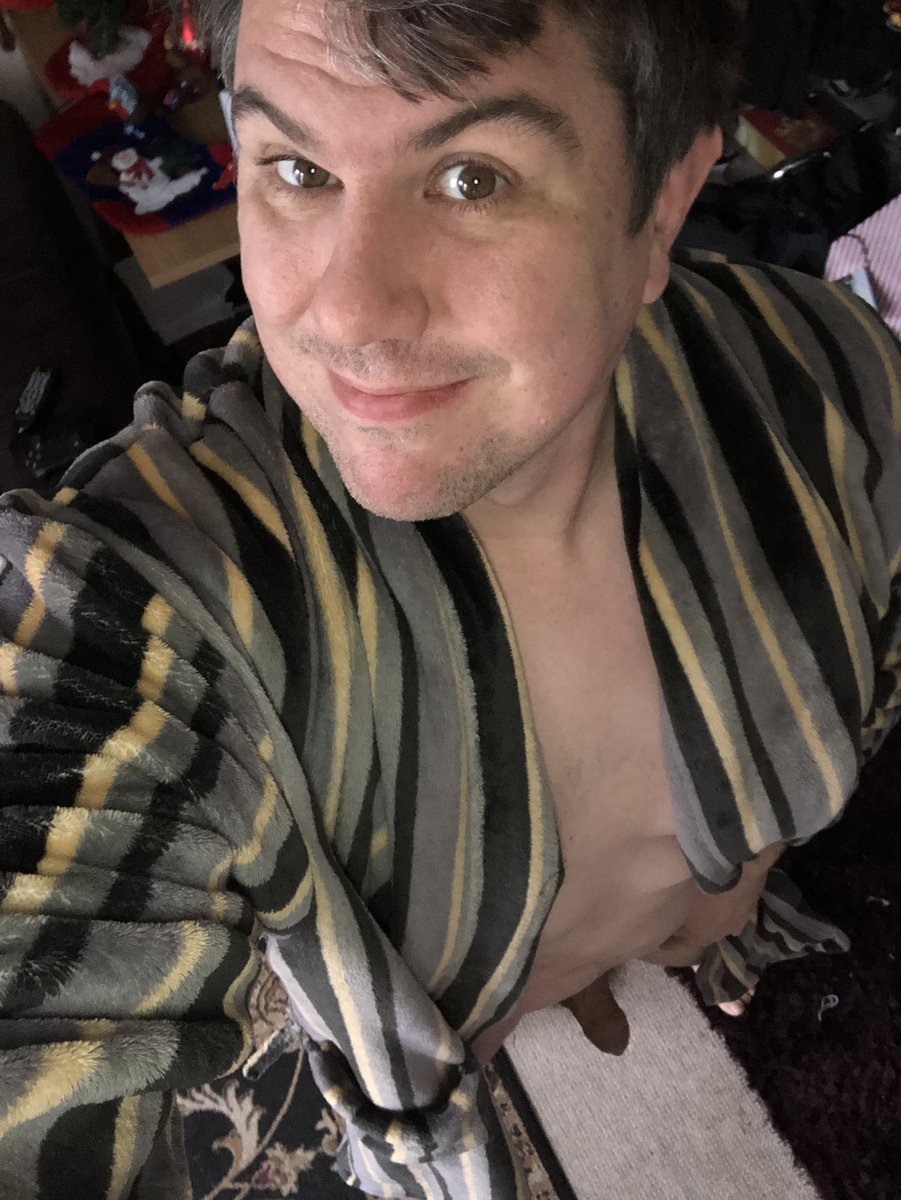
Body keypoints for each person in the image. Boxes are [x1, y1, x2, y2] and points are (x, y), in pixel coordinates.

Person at [1, 0, 900, 1195]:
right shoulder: (152, 592)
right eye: (296, 168)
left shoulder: (834, 384)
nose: (344, 314)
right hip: (453, 1041)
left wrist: (738, 880)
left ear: (660, 206)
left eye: (474, 177)